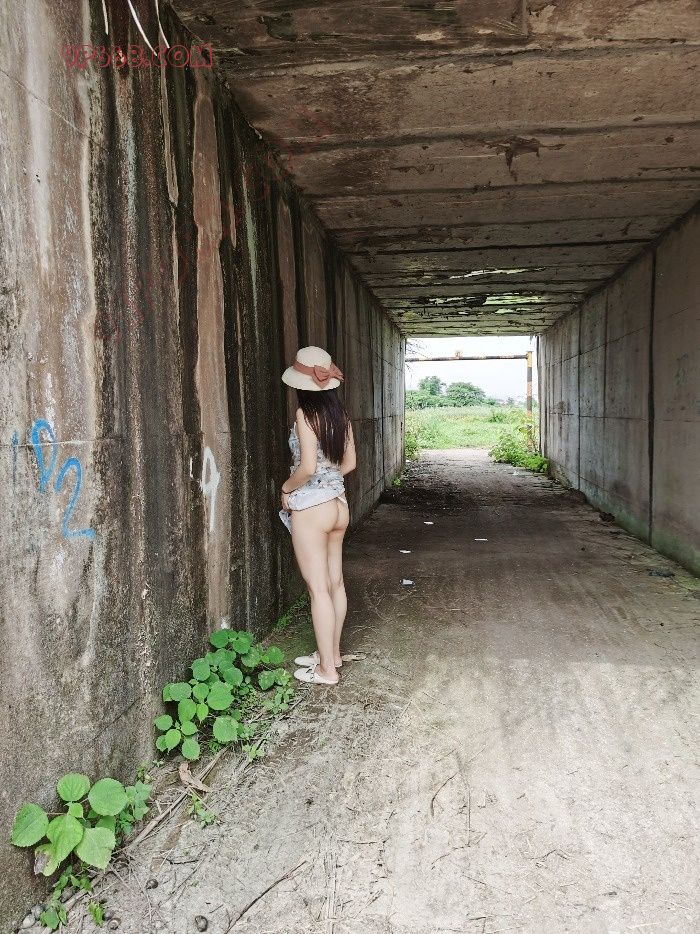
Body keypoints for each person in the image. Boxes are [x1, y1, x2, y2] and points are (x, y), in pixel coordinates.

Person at [280, 346, 357, 685]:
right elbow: (349, 464)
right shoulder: (341, 416)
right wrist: (329, 478)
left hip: (313, 509)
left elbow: (308, 467)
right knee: (335, 583)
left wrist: (286, 488)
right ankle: (332, 654)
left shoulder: (304, 414)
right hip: (339, 505)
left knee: (318, 589)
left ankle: (327, 670)